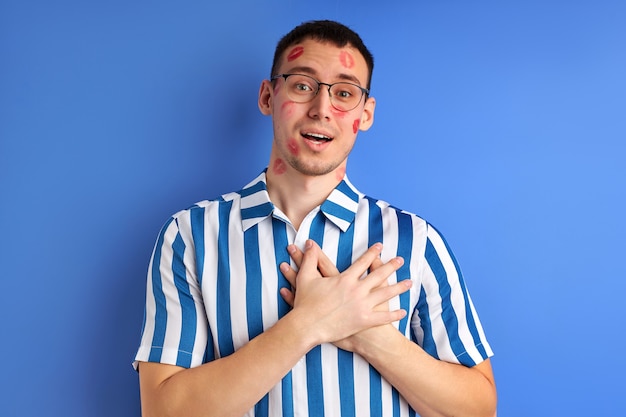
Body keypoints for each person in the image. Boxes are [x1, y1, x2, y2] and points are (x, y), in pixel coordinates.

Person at [134, 19, 497, 417]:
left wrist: (370, 335)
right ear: (268, 96)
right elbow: (164, 411)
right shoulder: (191, 236)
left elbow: (478, 409)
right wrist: (308, 324)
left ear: (366, 113)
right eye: (303, 86)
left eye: (344, 93)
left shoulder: (416, 240)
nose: (322, 110)